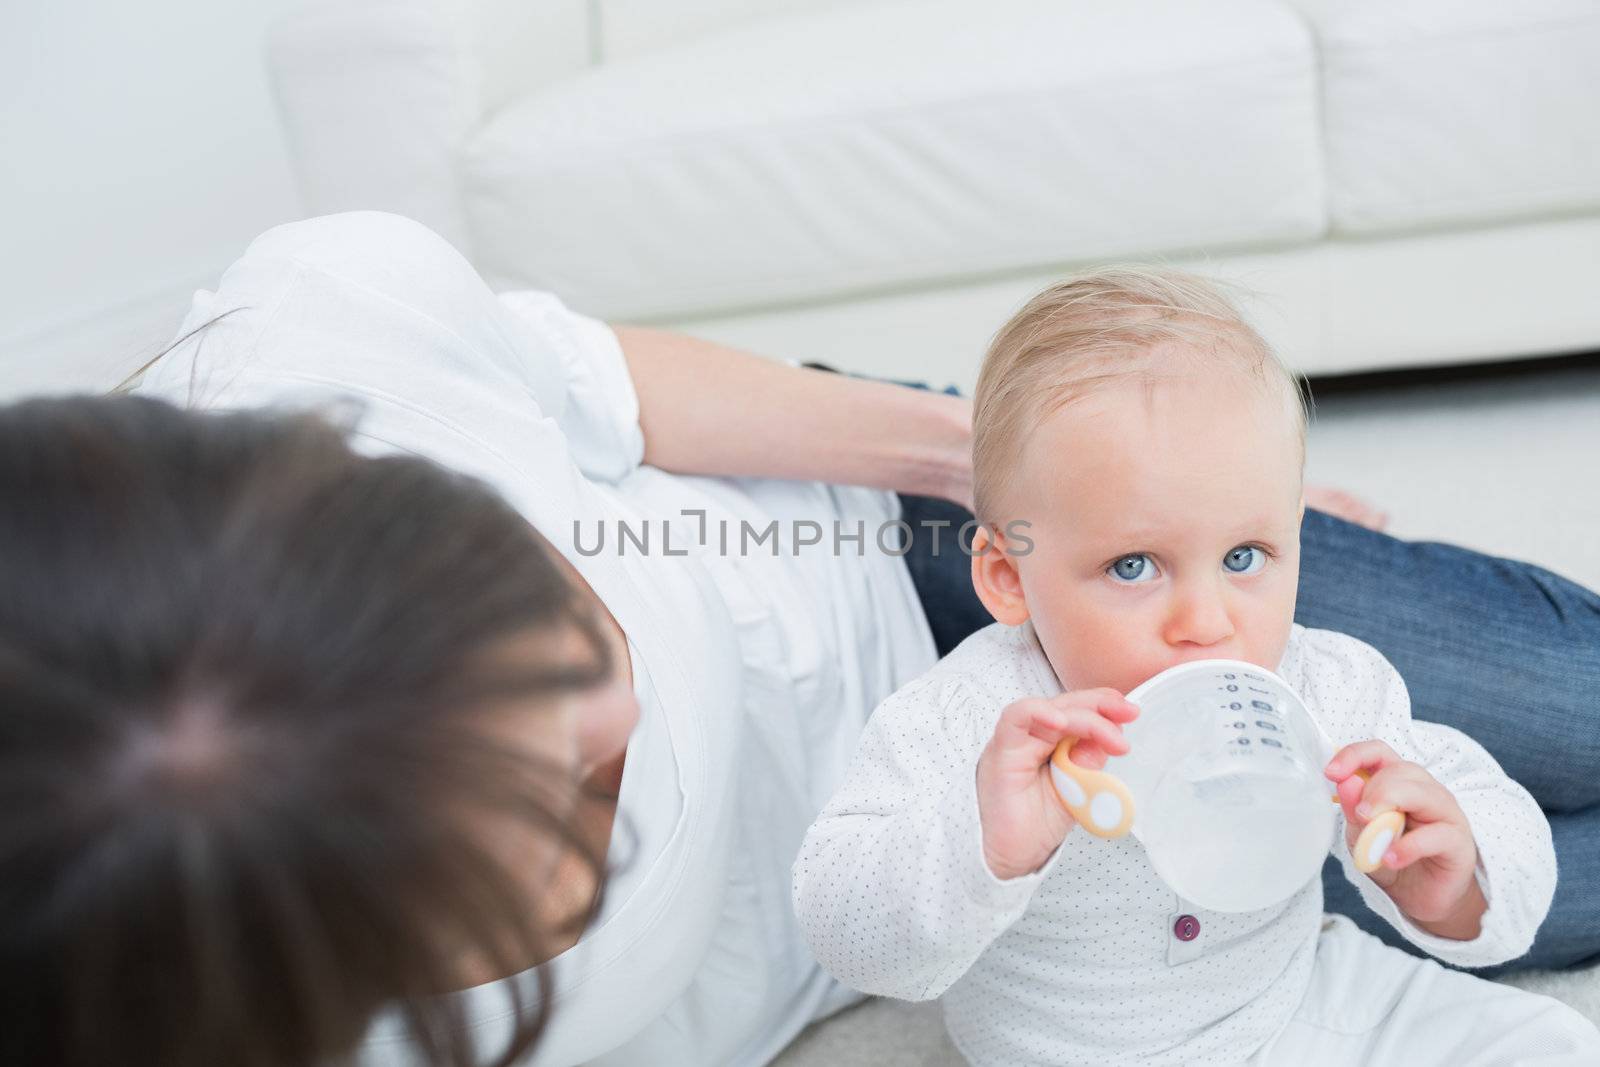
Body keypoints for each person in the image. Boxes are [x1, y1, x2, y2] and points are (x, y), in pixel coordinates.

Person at [1, 212, 1596, 1066]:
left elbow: (611, 385)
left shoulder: (323, 337)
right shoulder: (182, 975)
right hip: (996, 840)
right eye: (551, 818)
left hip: (905, 551)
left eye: (541, 606)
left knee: (1562, 708)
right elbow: (884, 933)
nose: (611, 702)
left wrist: (1120, 517)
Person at [792, 268, 1600, 1064]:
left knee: (1550, 1040)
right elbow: (845, 927)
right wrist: (983, 841)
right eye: (1135, 566)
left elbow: (1495, 826)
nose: (1209, 624)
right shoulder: (976, 718)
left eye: (1245, 555)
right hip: (1074, 1053)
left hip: (1295, 998)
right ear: (1009, 577)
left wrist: (1454, 879)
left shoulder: (1321, 681)